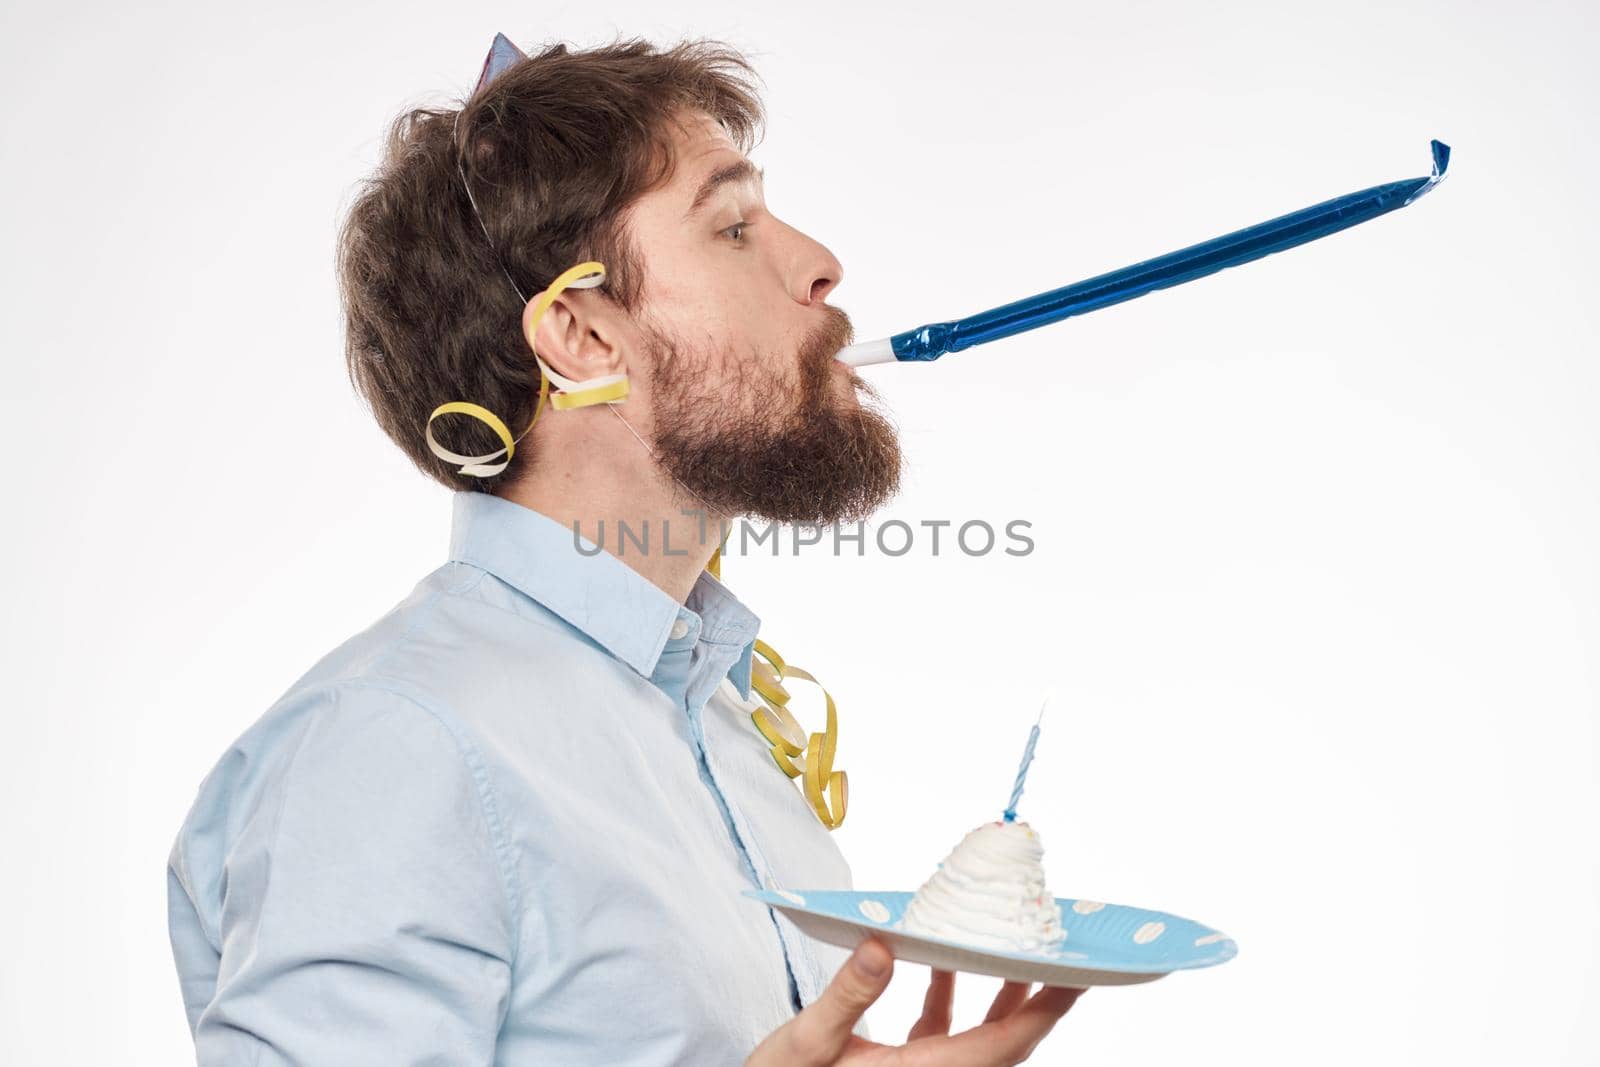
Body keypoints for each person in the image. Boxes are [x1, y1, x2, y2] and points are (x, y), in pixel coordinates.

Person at [164, 33, 1083, 1064]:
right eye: (733, 225)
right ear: (585, 337)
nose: (820, 265)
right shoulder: (393, 744)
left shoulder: (721, 725)